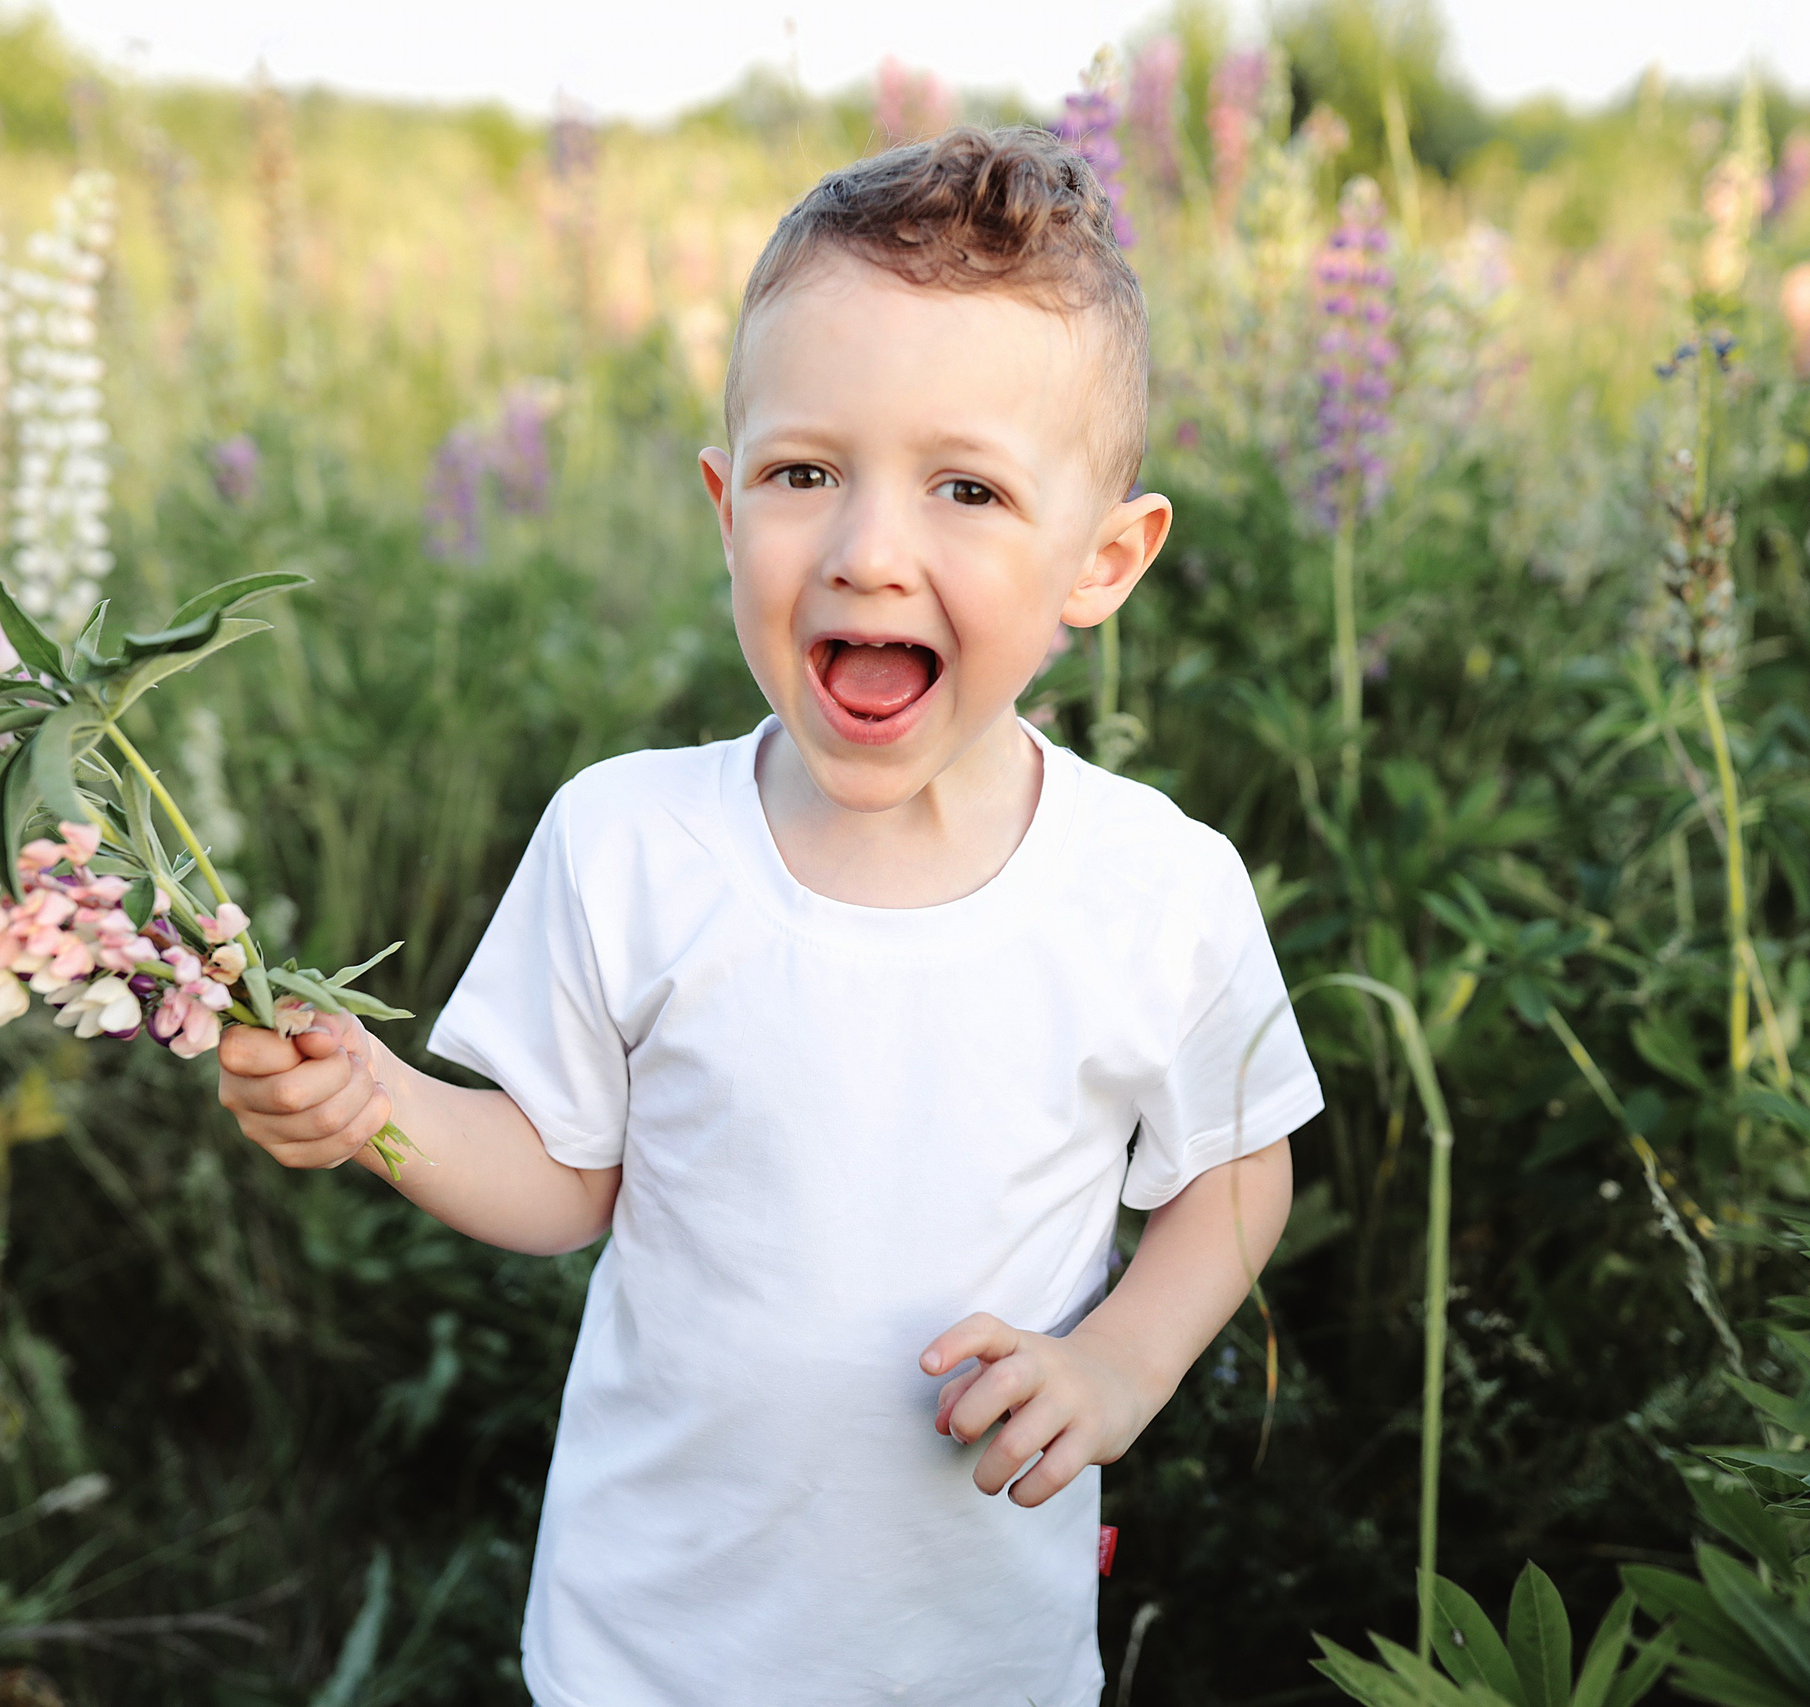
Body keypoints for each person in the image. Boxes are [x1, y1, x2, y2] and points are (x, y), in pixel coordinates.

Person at [217, 124, 1324, 1707]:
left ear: (1103, 558)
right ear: (725, 502)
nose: (871, 552)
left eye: (967, 489)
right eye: (807, 474)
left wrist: (1120, 1361)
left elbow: (1234, 1172)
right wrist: (370, 1106)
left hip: (975, 1659)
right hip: (650, 1647)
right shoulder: (631, 843)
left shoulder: (1155, 889)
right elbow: (558, 1181)